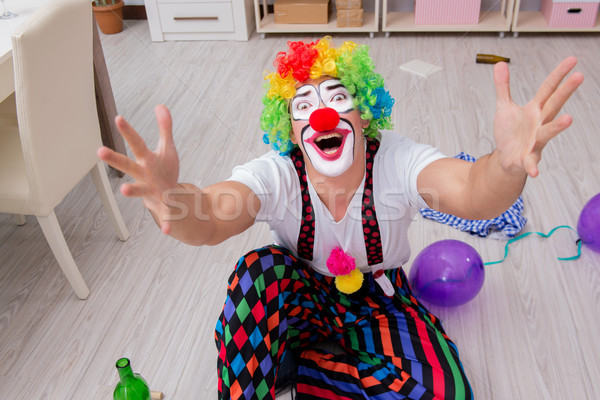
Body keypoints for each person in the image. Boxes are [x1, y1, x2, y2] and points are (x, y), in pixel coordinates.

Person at [98, 37, 583, 400]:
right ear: (289, 128)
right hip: (302, 297)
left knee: (446, 391)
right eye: (303, 107)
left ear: (364, 113)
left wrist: (505, 163)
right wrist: (173, 197)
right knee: (255, 273)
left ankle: (304, 364)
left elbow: (473, 194)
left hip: (381, 299)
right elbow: (210, 215)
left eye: (336, 99)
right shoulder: (277, 174)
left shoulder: (396, 159)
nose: (322, 117)